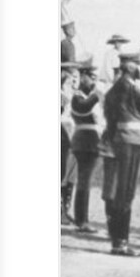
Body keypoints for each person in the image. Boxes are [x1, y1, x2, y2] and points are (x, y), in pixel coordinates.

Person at [101, 52, 140, 256]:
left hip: (120, 140)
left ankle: (118, 240)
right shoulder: (132, 88)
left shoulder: (113, 90)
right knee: (126, 192)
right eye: (138, 65)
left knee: (121, 190)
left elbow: (110, 118)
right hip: (133, 141)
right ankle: (120, 243)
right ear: (133, 67)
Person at [70, 59, 105, 233]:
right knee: (84, 181)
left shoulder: (87, 96)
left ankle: (81, 219)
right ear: (83, 77)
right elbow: (82, 109)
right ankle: (81, 220)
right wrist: (96, 96)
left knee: (85, 181)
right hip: (86, 141)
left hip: (89, 140)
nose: (93, 81)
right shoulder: (79, 97)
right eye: (91, 77)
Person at [60, 62, 80, 225]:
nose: (73, 82)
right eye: (70, 78)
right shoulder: (60, 96)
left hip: (74, 134)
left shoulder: (75, 95)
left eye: (76, 78)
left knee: (72, 171)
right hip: (62, 134)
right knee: (61, 171)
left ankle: (66, 209)